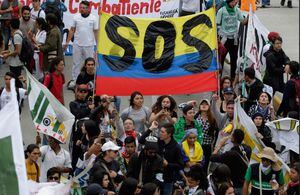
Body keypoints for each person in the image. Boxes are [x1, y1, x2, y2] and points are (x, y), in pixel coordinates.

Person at [139, 121, 184, 195]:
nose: (160, 133)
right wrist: (151, 128)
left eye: (162, 132)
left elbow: (180, 165)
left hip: (167, 179)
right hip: (153, 177)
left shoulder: (176, 147)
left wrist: (168, 164)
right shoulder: (158, 141)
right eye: (160, 131)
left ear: (169, 134)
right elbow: (141, 140)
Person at [65, 0, 98, 90]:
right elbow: (72, 30)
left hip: (89, 45)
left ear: (88, 9)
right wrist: (67, 42)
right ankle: (75, 81)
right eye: (81, 8)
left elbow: (95, 31)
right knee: (76, 63)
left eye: (84, 8)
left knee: (90, 64)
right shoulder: (76, 17)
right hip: (77, 45)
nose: (82, 9)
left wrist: (97, 45)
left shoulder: (93, 18)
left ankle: (91, 81)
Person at [210, 129, 252, 194]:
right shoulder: (248, 149)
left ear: (233, 138)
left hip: (234, 186)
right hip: (244, 185)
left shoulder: (231, 154)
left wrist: (219, 145)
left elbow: (212, 158)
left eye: (231, 135)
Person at [216, 0, 247, 80]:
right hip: (224, 40)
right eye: (232, 2)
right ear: (228, 2)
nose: (234, 4)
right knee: (221, 59)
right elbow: (217, 24)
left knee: (234, 59)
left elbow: (243, 22)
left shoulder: (237, 10)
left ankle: (233, 78)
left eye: (235, 2)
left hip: (234, 39)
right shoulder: (221, 11)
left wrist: (249, 17)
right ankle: (219, 78)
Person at [195, 99, 218, 172]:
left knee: (205, 166)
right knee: (196, 165)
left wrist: (214, 145)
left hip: (207, 146)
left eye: (206, 104)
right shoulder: (195, 117)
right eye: (202, 104)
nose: (204, 105)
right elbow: (183, 108)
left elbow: (216, 132)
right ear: (199, 106)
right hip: (196, 144)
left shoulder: (212, 119)